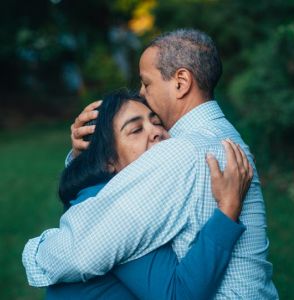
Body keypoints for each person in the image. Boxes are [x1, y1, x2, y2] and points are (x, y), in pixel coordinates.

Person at [23, 29, 278, 299]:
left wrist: (35, 252)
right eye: (136, 129)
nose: (143, 94)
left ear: (181, 82)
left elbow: (80, 252)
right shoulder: (223, 137)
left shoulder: (181, 152)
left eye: (146, 83)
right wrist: (86, 154)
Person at [46, 89, 248, 299]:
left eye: (157, 122)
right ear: (108, 161)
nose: (156, 132)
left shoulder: (107, 192)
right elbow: (178, 295)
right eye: (136, 130)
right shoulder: (119, 210)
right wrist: (228, 208)